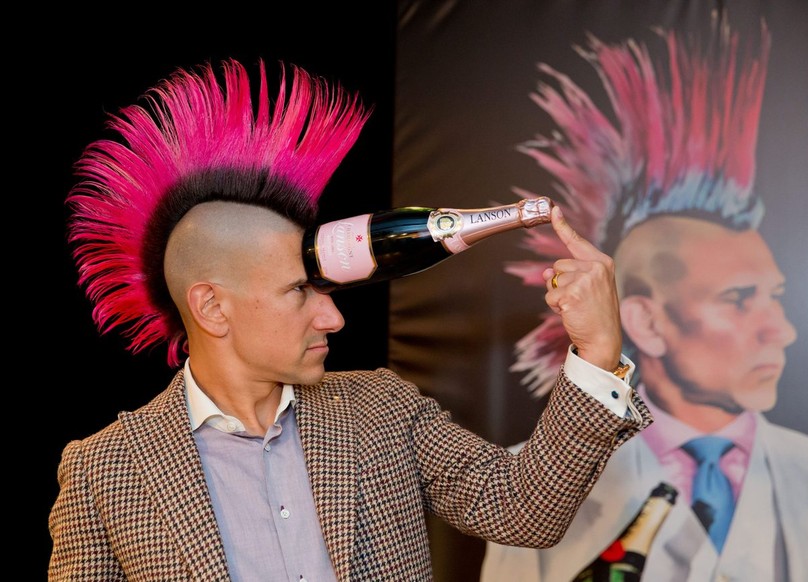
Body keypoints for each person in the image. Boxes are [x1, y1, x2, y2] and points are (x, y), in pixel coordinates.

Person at [47, 58, 650, 581]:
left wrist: (596, 354)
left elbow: (525, 510)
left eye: (326, 290)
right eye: (298, 292)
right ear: (212, 307)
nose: (332, 316)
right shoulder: (104, 471)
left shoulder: (381, 408)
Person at [481, 20, 808, 582]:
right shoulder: (531, 486)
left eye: (775, 297)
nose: (782, 330)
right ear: (646, 320)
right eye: (739, 299)